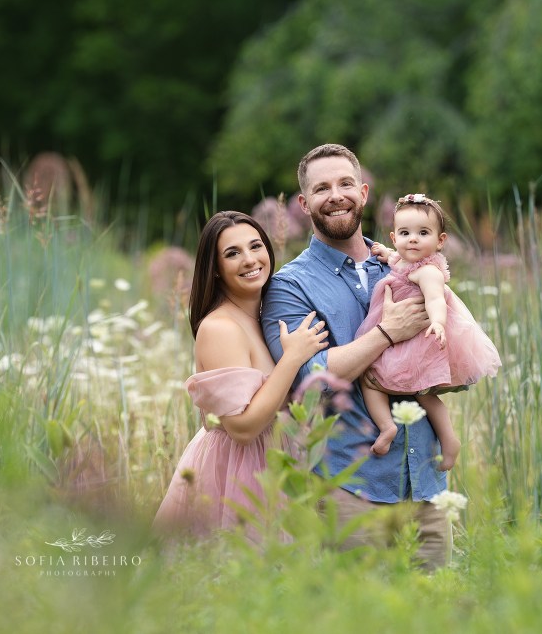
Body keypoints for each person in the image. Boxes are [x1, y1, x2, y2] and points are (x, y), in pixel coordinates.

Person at [261, 143, 451, 569]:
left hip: (427, 484)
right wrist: (386, 334)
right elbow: (307, 379)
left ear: (363, 192)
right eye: (321, 188)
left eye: (345, 183)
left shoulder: (405, 263)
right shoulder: (288, 287)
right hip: (351, 487)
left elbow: (448, 348)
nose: (336, 195)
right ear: (303, 203)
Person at [154, 211, 328, 535]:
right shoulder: (221, 328)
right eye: (232, 253)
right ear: (216, 270)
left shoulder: (263, 317)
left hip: (278, 463)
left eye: (255, 246)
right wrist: (292, 359)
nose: (249, 260)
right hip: (238, 474)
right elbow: (242, 428)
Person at [357, 193, 502, 471]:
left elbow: (435, 299)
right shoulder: (403, 259)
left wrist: (437, 321)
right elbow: (396, 260)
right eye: (405, 233)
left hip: (417, 340)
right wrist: (386, 254)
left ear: (440, 241)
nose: (413, 239)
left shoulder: (429, 272)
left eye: (423, 233)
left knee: (410, 389)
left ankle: (448, 439)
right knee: (377, 380)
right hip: (398, 336)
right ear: (394, 236)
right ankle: (388, 427)